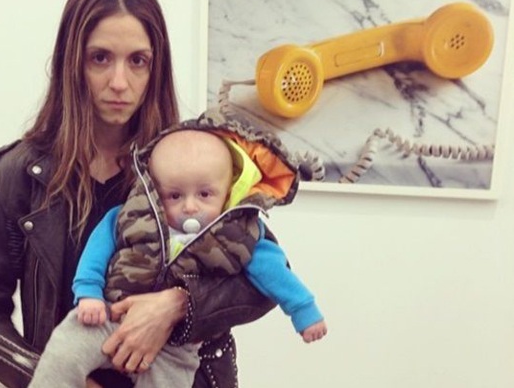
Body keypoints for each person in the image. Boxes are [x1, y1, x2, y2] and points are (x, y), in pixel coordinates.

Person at [0, 0, 277, 388]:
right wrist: (60, 378)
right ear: (72, 62)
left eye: (137, 61)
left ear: (156, 68)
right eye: (100, 58)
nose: (119, 83)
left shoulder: (194, 159)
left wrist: (177, 306)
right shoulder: (12, 177)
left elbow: (265, 278)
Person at [28, 109, 328, 387]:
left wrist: (304, 310)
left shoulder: (240, 233)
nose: (190, 206)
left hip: (177, 347)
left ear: (228, 191)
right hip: (110, 316)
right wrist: (88, 294)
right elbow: (97, 251)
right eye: (174, 195)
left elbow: (276, 274)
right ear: (154, 189)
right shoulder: (129, 216)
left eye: (205, 194)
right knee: (66, 347)